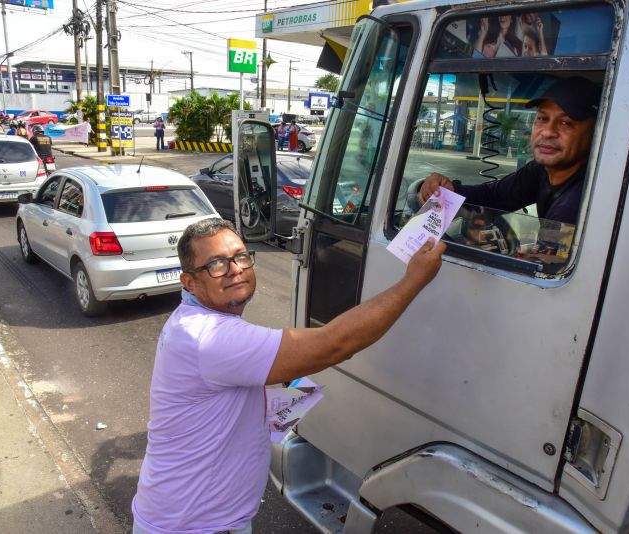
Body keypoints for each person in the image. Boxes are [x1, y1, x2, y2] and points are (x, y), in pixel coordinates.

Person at [132, 218, 445, 534]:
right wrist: (414, 280)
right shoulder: (207, 337)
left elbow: (225, 405)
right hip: (189, 527)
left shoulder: (198, 323)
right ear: (189, 282)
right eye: (215, 264)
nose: (234, 269)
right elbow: (335, 345)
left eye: (240, 256)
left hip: (208, 521)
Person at [419, 76, 600, 226]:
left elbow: (549, 263)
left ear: (595, 133)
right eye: (542, 118)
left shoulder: (576, 205)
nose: (547, 132)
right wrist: (449, 190)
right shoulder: (540, 171)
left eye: (566, 123)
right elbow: (495, 196)